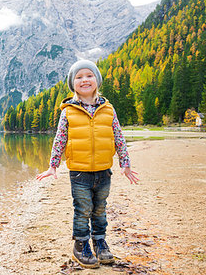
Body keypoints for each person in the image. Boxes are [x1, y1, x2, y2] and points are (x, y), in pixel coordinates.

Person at [36, 59, 139, 269]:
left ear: (97, 80)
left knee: (100, 209)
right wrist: (52, 166)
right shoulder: (68, 111)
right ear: (73, 84)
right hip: (79, 173)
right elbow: (60, 139)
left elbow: (118, 137)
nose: (85, 80)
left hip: (103, 171)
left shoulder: (108, 109)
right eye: (79, 77)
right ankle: (81, 245)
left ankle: (100, 242)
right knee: (83, 209)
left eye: (89, 75)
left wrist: (125, 163)